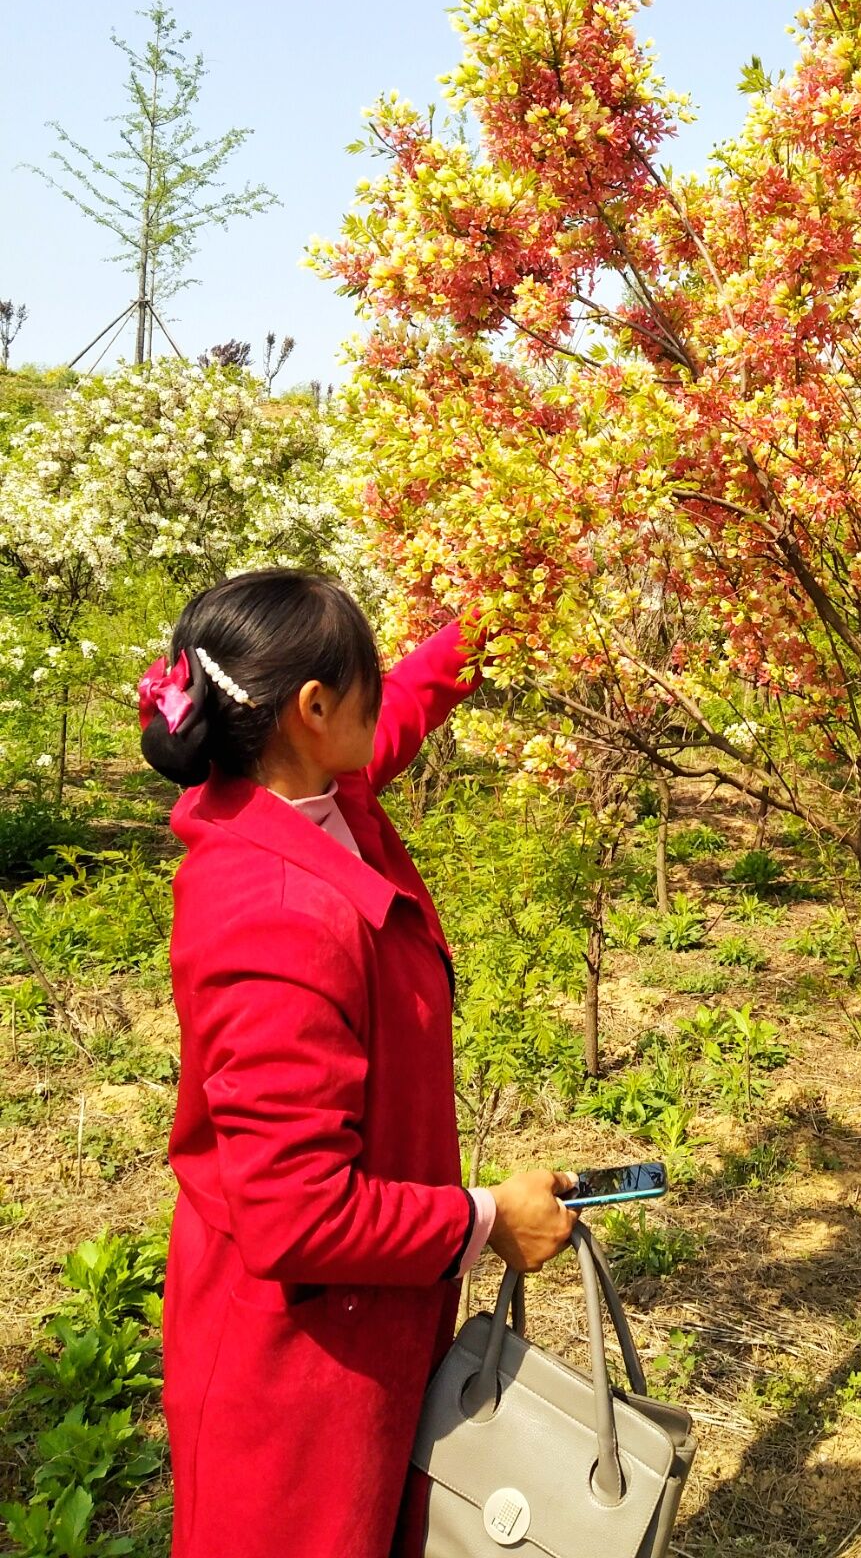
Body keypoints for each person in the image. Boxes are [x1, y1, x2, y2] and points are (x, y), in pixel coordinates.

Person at [139, 567, 575, 1558]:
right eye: (363, 676)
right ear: (312, 707)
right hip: (294, 1371)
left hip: (363, 1327)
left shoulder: (309, 794)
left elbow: (404, 711)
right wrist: (488, 1215)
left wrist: (495, 616)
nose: (384, 693)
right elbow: (297, 1209)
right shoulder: (272, 912)